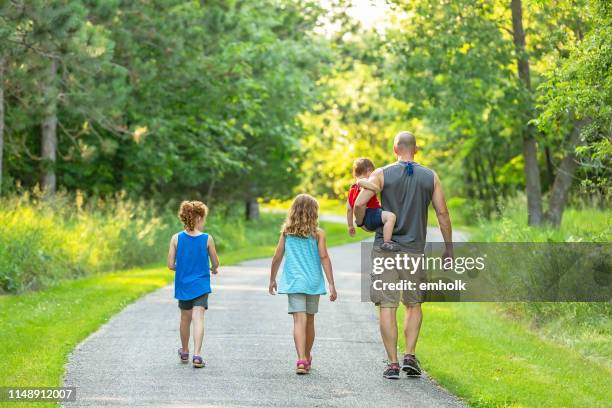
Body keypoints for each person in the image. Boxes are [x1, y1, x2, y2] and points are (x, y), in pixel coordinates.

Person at [354, 131, 453, 380]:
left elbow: (359, 204)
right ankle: (410, 355)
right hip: (414, 250)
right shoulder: (431, 176)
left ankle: (392, 364)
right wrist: (449, 248)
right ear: (416, 149)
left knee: (387, 306)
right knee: (413, 304)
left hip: (385, 250)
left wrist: (363, 223)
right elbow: (443, 214)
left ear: (395, 149)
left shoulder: (381, 174)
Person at [268, 194, 338, 375]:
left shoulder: (286, 233)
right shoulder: (318, 233)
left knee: (299, 320)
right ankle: (307, 355)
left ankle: (301, 360)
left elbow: (277, 257)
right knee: (310, 320)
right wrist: (331, 283)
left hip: (295, 281)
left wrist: (272, 279)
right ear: (314, 213)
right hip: (313, 281)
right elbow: (324, 257)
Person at [167, 200, 219, 368]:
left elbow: (170, 265)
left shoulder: (176, 238)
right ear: (198, 218)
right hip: (201, 285)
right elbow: (215, 261)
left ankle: (184, 351)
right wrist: (214, 268)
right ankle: (197, 355)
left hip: (183, 285)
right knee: (199, 318)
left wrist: (182, 269)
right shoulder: (207, 239)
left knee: (185, 318)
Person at [346, 158, 399, 251]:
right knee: (391, 217)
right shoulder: (363, 181)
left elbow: (349, 209)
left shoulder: (351, 189)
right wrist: (378, 187)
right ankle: (387, 242)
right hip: (371, 213)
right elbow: (362, 182)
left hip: (365, 219)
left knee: (385, 222)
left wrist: (350, 225)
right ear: (369, 171)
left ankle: (384, 239)